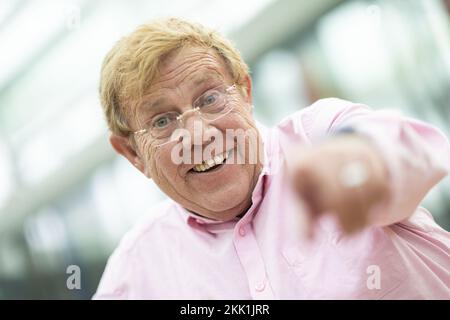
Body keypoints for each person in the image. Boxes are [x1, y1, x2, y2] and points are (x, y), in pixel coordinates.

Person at [94, 17, 450, 299]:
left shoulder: (318, 134)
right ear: (133, 154)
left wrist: (365, 159)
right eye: (163, 121)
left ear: (246, 92)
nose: (199, 135)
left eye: (209, 98)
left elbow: (421, 151)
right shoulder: (135, 272)